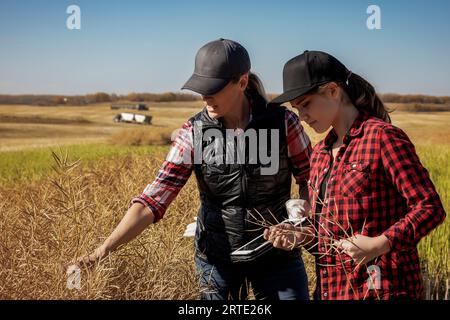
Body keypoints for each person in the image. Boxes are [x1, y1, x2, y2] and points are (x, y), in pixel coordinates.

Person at [74, 39, 313, 300]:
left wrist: (298, 219)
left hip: (277, 259)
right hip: (218, 261)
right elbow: (152, 200)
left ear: (242, 82)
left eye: (213, 88)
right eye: (201, 88)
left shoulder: (283, 123)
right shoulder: (194, 133)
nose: (204, 97)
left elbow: (311, 180)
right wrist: (101, 252)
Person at [264, 50, 446, 300]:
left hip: (382, 290)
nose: (302, 116)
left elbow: (430, 207)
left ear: (332, 91)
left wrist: (380, 243)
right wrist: (300, 235)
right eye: (296, 109)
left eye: (305, 104)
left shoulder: (383, 138)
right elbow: (326, 235)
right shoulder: (320, 153)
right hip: (333, 291)